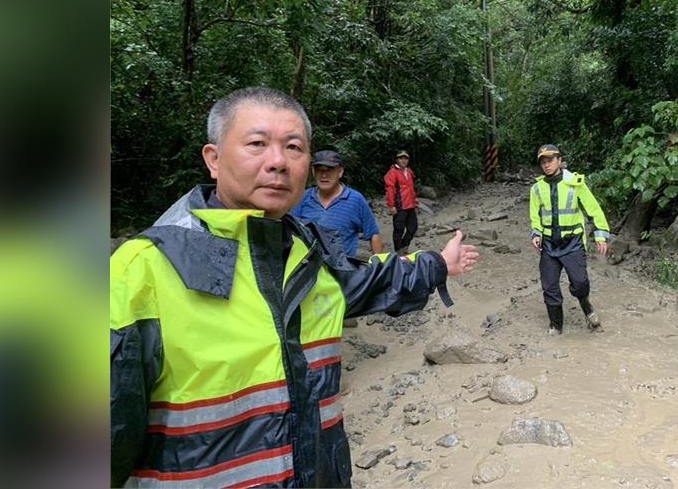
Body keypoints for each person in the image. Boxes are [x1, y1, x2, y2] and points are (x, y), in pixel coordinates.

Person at [110, 87, 479, 488]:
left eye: (293, 147)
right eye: (257, 144)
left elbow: (370, 276)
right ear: (213, 160)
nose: (277, 162)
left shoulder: (308, 254)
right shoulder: (141, 272)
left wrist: (439, 263)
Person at [529, 144, 610, 335]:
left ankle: (586, 306)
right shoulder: (537, 188)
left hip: (573, 243)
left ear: (559, 160)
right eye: (543, 162)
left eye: (550, 160)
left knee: (580, 283)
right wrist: (536, 234)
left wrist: (600, 234)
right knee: (549, 287)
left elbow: (594, 209)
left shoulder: (576, 183)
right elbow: (535, 215)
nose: (546, 165)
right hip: (549, 245)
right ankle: (556, 326)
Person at [292, 149, 383, 258]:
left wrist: (380, 268)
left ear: (340, 172)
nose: (324, 175)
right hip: (308, 268)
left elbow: (373, 234)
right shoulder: (303, 198)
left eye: (329, 170)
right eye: (319, 170)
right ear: (313, 172)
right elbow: (292, 233)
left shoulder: (355, 200)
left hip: (342, 271)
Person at [384, 150, 418, 254]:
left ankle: (403, 246)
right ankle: (399, 251)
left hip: (410, 205)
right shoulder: (392, 172)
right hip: (400, 205)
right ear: (397, 160)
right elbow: (390, 190)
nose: (403, 160)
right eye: (401, 158)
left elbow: (411, 187)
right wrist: (391, 206)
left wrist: (415, 199)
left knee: (413, 227)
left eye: (405, 158)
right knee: (398, 230)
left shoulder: (409, 171)